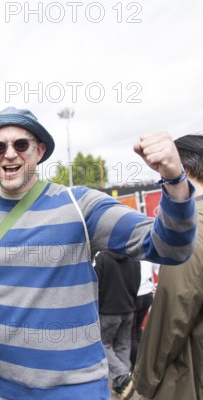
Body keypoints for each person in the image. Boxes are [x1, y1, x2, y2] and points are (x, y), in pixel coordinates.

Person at [0, 107, 197, 400]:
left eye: (21, 144)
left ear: (39, 150)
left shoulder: (80, 205)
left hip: (71, 391)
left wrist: (174, 181)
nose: (10, 154)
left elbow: (169, 247)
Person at [132, 134, 203, 399]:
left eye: (162, 174)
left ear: (181, 169)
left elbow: (174, 308)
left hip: (187, 378)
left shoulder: (191, 225)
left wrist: (143, 382)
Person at [94, 251, 141, 394]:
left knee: (102, 344)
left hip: (107, 311)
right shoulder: (135, 258)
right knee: (122, 345)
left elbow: (96, 285)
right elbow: (137, 283)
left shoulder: (101, 257)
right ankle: (122, 385)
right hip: (128, 308)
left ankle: (122, 377)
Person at [130, 259, 157, 368]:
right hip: (147, 293)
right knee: (137, 332)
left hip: (134, 294)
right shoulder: (146, 246)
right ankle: (142, 364)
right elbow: (158, 267)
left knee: (132, 334)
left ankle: (137, 367)